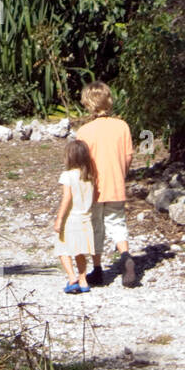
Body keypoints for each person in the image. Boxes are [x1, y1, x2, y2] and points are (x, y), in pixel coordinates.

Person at [76, 81, 137, 287]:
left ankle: (98, 269)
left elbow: (81, 163)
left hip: (93, 187)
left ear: (88, 103)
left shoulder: (84, 132)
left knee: (96, 227)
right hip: (116, 183)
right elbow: (128, 156)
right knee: (117, 223)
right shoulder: (122, 126)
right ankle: (126, 255)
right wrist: (121, 174)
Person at [53, 139, 97, 293]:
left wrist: (59, 218)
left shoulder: (67, 175)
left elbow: (67, 198)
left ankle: (72, 278)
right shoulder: (89, 176)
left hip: (71, 219)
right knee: (80, 251)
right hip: (86, 218)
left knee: (62, 249)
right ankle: (83, 280)